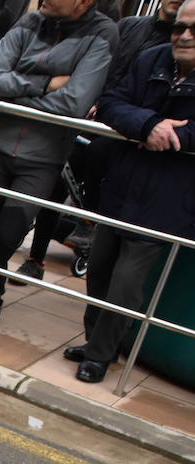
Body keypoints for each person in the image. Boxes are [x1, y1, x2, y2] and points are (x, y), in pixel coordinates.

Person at [0, 0, 118, 326]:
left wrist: (19, 84)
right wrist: (48, 83)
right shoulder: (30, 21)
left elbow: (75, 101)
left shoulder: (102, 33)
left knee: (9, 231)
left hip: (44, 156)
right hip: (2, 143)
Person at [65, 0, 195, 383]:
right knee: (99, 271)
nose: (184, 36)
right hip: (122, 187)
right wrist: (149, 124)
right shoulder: (153, 59)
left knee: (127, 284)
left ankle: (101, 355)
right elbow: (110, 103)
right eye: (178, 27)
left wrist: (173, 136)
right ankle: (95, 343)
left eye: (193, 29)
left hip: (169, 199)